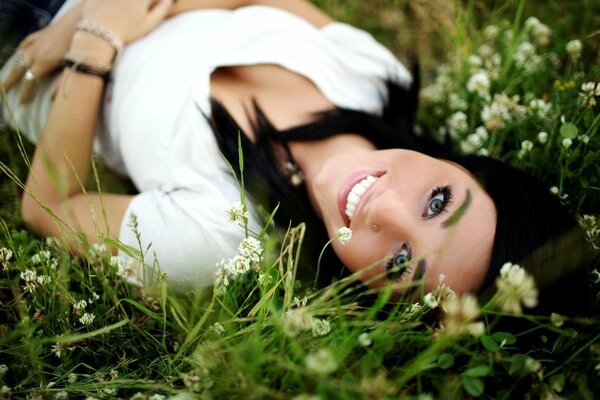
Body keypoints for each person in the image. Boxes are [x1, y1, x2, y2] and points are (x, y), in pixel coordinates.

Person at [0, 0, 593, 315]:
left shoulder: (221, 239)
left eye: (398, 263)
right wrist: (100, 10)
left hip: (26, 42)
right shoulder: (373, 76)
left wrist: (91, 42)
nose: (383, 208)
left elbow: (48, 204)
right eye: (438, 202)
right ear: (470, 169)